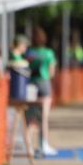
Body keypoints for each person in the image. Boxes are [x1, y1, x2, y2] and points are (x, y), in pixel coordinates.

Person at [26, 26, 58, 157]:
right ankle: (43, 145)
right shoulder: (48, 53)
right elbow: (51, 72)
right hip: (44, 84)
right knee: (43, 117)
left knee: (30, 117)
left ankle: (28, 146)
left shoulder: (29, 52)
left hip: (30, 86)